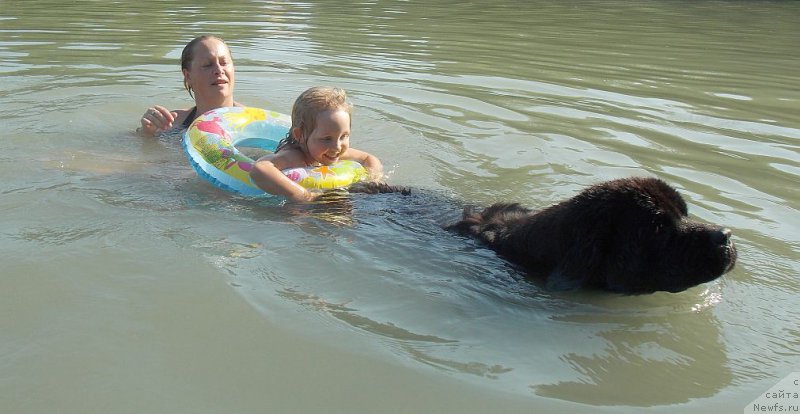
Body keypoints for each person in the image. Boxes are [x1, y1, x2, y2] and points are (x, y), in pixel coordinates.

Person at [249, 86, 384, 202]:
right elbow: (260, 168)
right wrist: (304, 195)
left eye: (343, 136)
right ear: (299, 135)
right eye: (326, 139)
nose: (337, 147)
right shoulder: (294, 157)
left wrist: (373, 180)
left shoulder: (333, 150)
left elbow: (369, 158)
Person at [137, 35, 242, 137]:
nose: (219, 70)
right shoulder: (171, 124)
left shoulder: (256, 122)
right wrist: (146, 133)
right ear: (188, 76)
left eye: (224, 63)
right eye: (207, 65)